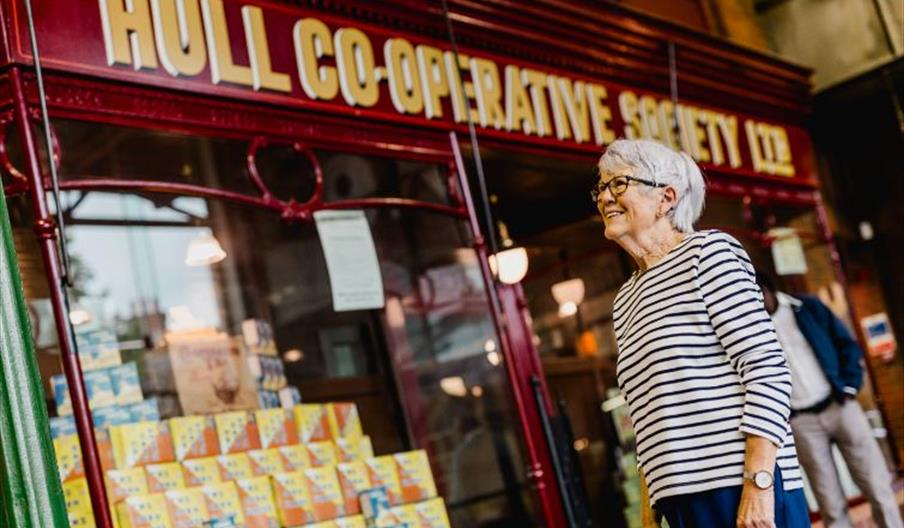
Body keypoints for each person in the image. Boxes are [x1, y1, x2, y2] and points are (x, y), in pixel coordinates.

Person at [593, 139, 809, 528]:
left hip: (739, 484)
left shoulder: (709, 255)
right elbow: (648, 414)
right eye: (601, 187)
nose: (605, 197)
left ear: (667, 198)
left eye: (619, 184)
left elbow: (767, 371)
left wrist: (759, 485)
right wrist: (648, 512)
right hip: (680, 500)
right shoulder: (625, 298)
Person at [756, 273, 903, 528]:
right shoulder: (752, 332)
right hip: (801, 422)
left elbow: (847, 344)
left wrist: (850, 385)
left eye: (759, 295)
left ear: (767, 289)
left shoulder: (808, 307)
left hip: (840, 406)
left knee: (878, 489)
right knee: (831, 505)